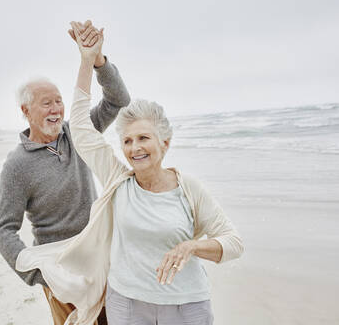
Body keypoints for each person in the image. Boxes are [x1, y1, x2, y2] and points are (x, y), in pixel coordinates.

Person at [16, 22, 244, 325]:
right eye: (127, 140)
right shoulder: (118, 180)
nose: (135, 148)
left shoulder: (188, 189)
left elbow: (233, 243)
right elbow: (81, 127)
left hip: (187, 304)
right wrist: (86, 61)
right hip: (126, 304)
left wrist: (193, 246)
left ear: (165, 143)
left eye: (143, 138)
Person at [0, 20, 130, 325]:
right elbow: (3, 230)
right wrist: (41, 276)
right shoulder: (16, 166)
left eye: (59, 101)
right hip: (62, 271)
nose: (56, 109)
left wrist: (98, 61)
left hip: (101, 258)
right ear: (25, 111)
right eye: (46, 103)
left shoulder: (78, 133)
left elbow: (119, 100)